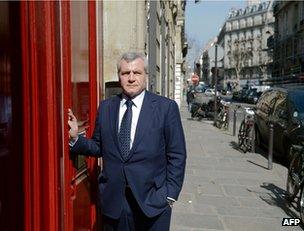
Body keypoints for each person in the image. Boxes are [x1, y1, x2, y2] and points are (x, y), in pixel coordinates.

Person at [68, 52, 186, 231]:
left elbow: (177, 154)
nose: (131, 78)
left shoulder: (165, 108)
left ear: (146, 76)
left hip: (153, 202)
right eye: (125, 73)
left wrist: (170, 195)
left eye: (136, 73)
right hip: (115, 202)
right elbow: (99, 146)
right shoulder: (107, 107)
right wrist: (76, 139)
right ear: (119, 77)